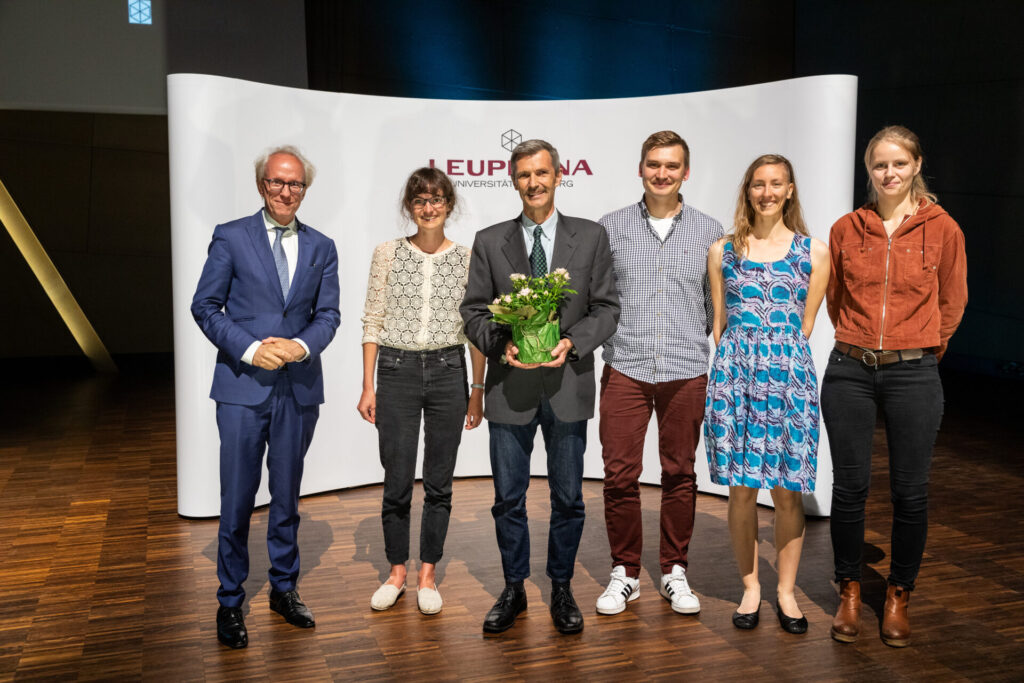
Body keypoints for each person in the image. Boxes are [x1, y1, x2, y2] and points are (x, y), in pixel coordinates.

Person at [460, 139, 620, 635]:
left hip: (568, 385)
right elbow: (473, 310)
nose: (534, 182)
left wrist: (571, 342)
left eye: (542, 173)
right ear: (513, 180)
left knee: (569, 498)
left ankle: (562, 586)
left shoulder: (591, 237)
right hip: (510, 390)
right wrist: (499, 343)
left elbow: (607, 308)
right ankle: (513, 589)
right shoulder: (490, 241)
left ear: (557, 176)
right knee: (509, 498)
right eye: (525, 174)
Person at [823, 125, 967, 647]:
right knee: (849, 488)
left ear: (916, 165)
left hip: (914, 371)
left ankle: (900, 593)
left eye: (899, 164)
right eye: (880, 165)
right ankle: (850, 589)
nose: (889, 174)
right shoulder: (847, 228)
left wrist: (921, 346)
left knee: (910, 491)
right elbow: (837, 299)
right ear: (869, 170)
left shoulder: (943, 229)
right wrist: (864, 342)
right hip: (850, 369)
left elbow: (952, 302)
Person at [191, 145, 340, 649]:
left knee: (287, 496)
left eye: (295, 184)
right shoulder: (231, 236)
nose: (286, 191)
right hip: (241, 389)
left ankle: (283, 588)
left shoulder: (322, 246)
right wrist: (252, 349)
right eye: (277, 182)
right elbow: (206, 306)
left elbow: (329, 316)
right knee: (235, 500)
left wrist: (298, 347)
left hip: (297, 390)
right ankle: (230, 600)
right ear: (262, 185)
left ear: (305, 189)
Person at [595, 131, 723, 617]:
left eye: (672, 165)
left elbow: (719, 309)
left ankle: (674, 570)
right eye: (653, 164)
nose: (662, 173)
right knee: (619, 476)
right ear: (641, 169)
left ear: (685, 172)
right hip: (626, 367)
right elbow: (598, 299)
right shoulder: (612, 227)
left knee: (680, 473)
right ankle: (625, 572)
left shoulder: (712, 232)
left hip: (687, 370)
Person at [704, 154, 829, 634]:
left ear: (790, 190)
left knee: (788, 492)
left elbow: (807, 324)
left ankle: (786, 592)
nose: (767, 192)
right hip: (736, 379)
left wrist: (775, 361)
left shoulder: (814, 252)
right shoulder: (723, 250)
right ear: (747, 190)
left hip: (788, 381)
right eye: (758, 184)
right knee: (741, 490)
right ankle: (752, 587)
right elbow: (720, 325)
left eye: (777, 183)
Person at [357, 167, 485, 615]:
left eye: (436, 199)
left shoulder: (469, 258)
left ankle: (427, 573)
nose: (428, 207)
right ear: (409, 207)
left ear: (449, 204)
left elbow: (475, 330)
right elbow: (372, 320)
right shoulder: (388, 253)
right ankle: (396, 571)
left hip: (450, 370)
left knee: (439, 481)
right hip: (396, 369)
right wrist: (367, 384)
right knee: (396, 480)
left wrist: (477, 389)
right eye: (420, 200)